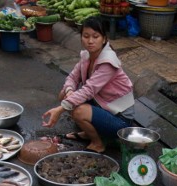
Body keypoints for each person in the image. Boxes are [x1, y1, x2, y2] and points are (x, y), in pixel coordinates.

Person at [42, 16, 135, 154]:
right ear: (81, 37)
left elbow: (88, 90)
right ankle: (89, 132)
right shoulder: (87, 56)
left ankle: (98, 143)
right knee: (65, 95)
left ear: (104, 39)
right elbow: (72, 77)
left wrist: (60, 110)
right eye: (86, 36)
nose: (90, 41)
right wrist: (68, 91)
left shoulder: (108, 62)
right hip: (104, 106)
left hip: (121, 120)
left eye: (95, 36)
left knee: (78, 110)